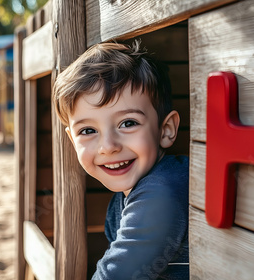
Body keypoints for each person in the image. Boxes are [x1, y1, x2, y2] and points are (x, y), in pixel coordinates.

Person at [53, 41, 189, 280]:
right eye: (87, 131)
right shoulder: (118, 205)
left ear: (166, 130)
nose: (109, 147)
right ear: (73, 142)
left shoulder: (165, 188)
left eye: (128, 123)